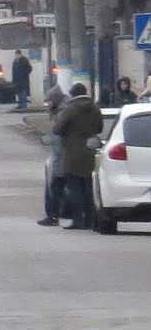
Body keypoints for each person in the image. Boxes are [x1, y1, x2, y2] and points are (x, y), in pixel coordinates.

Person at [52, 79, 101, 231]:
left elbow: (57, 129)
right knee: (88, 188)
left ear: (72, 94)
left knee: (74, 189)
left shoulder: (70, 109)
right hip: (90, 151)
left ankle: (78, 219)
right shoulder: (95, 108)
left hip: (72, 152)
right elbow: (99, 128)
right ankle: (90, 220)